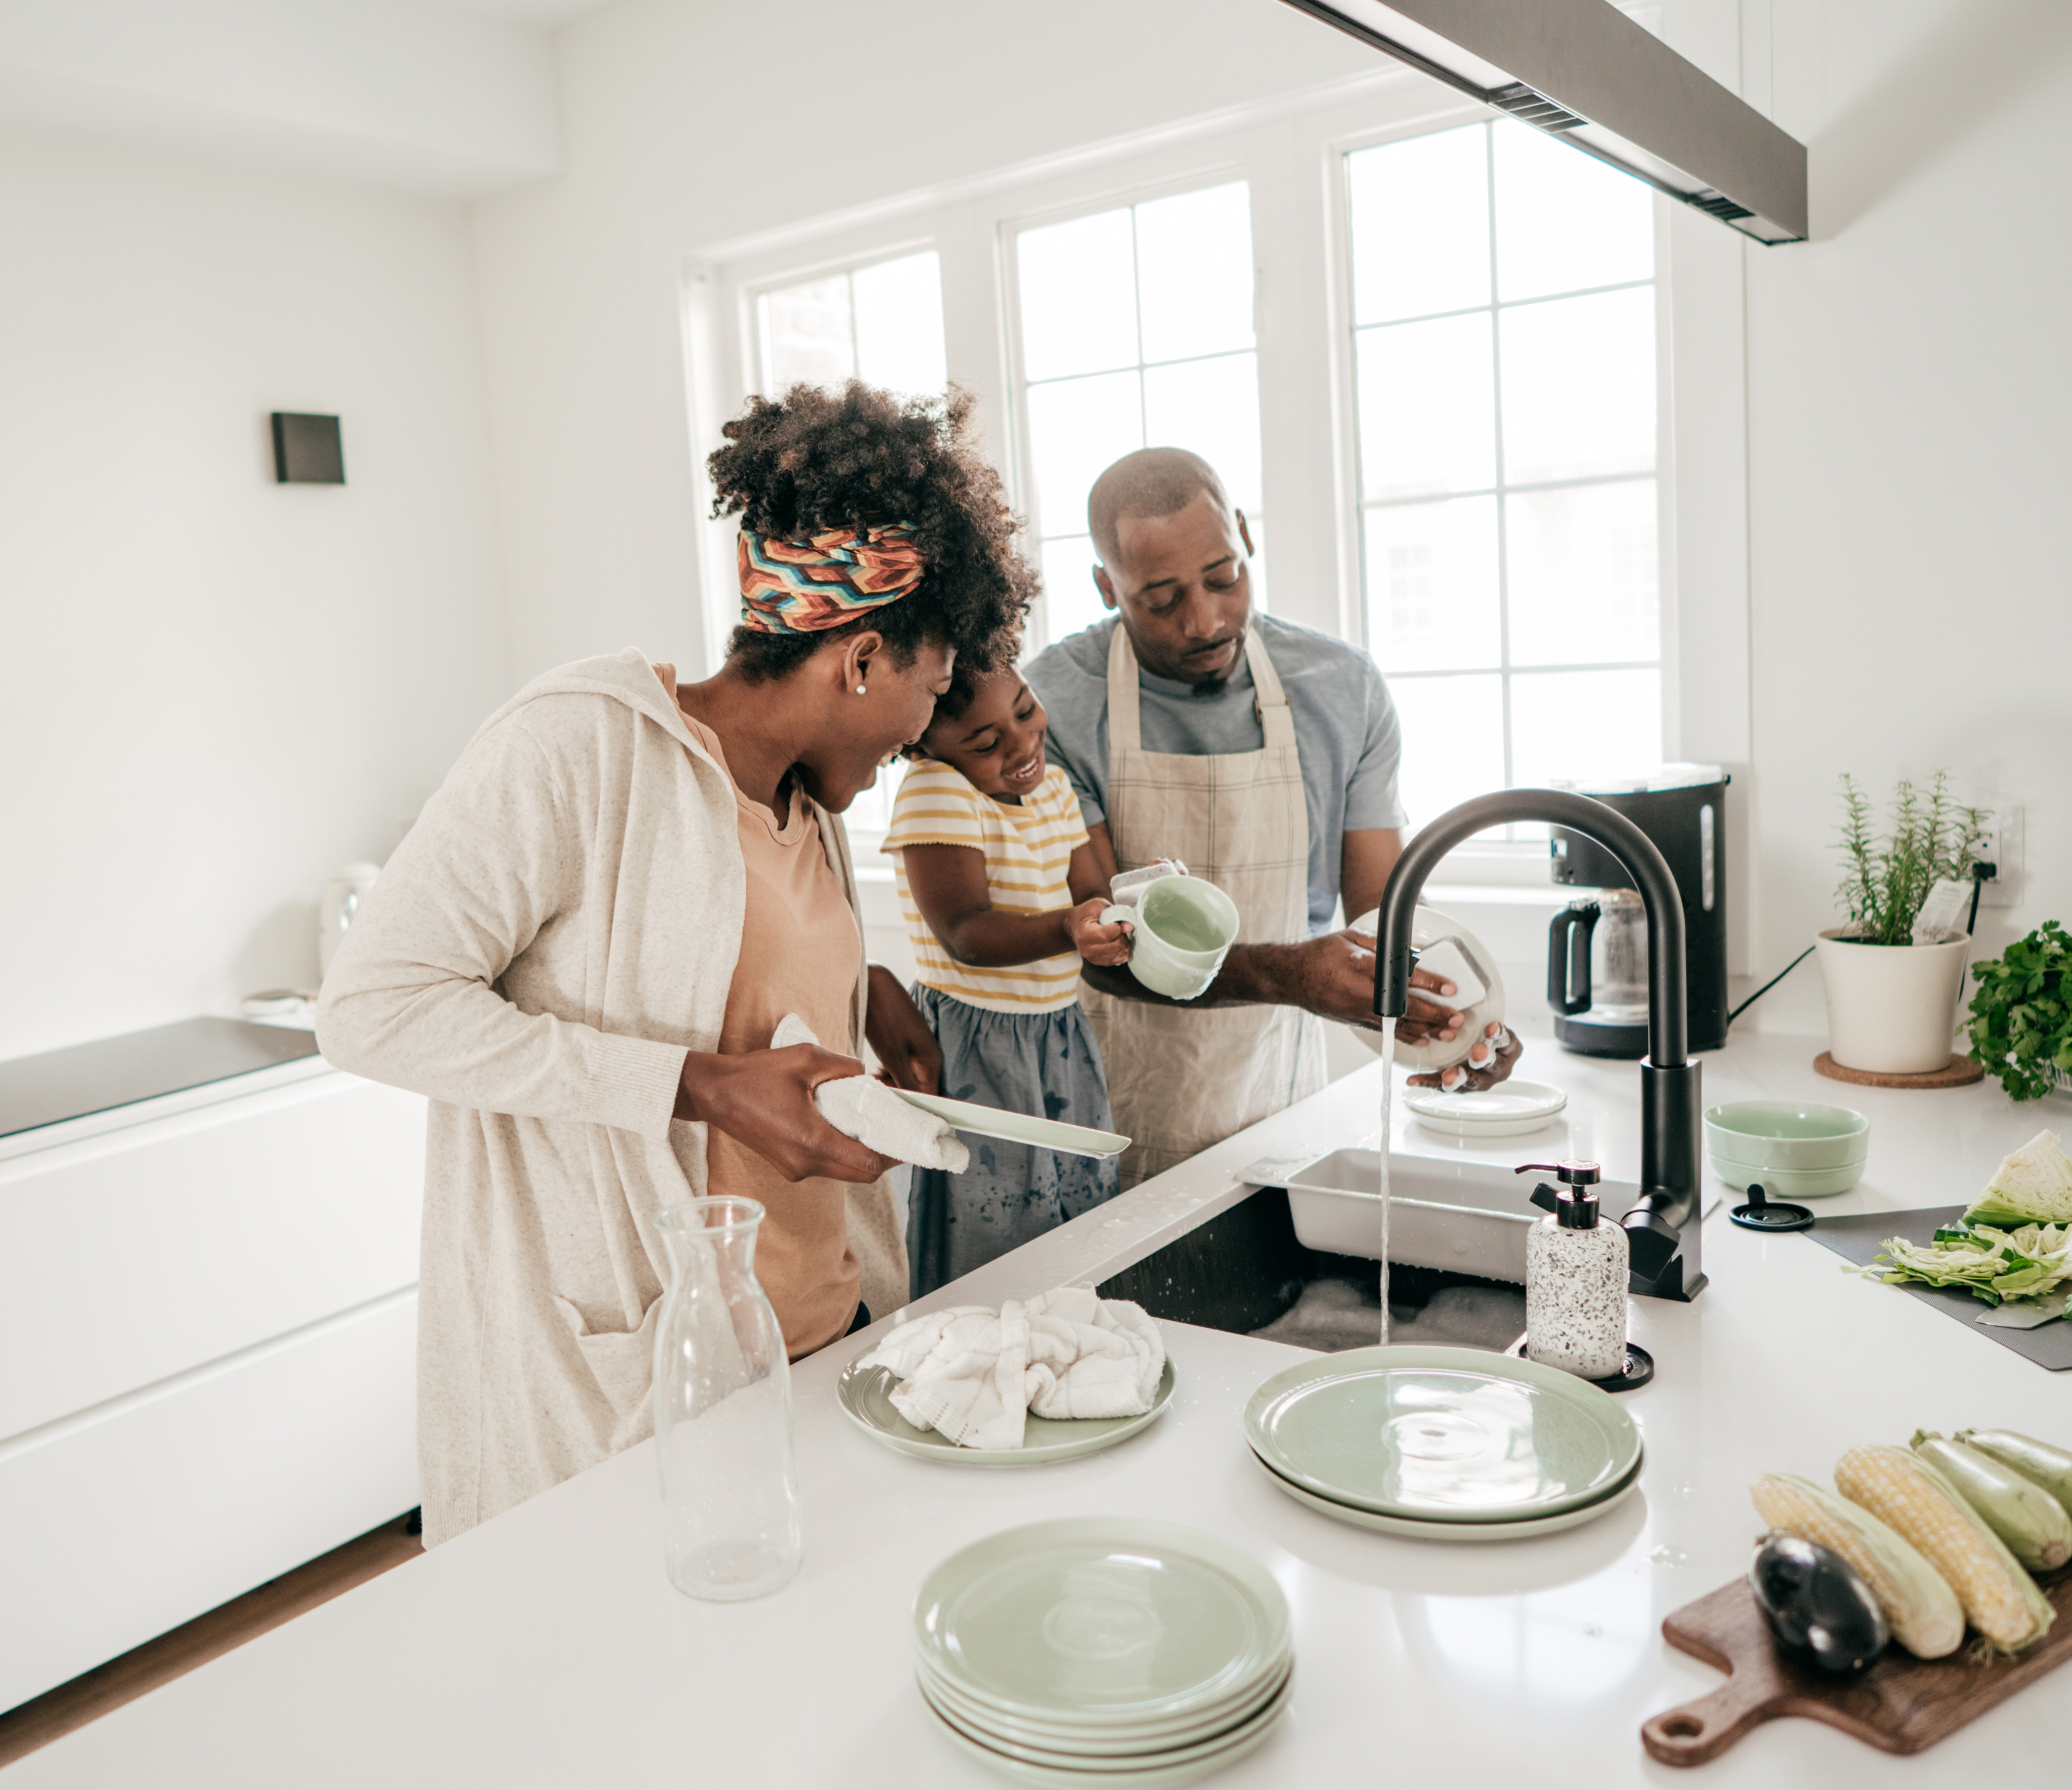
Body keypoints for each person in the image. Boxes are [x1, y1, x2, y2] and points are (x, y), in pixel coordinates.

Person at [318, 381, 1033, 1544]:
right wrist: (696, 1083)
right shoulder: (577, 749)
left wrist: (860, 1001)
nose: (923, 730)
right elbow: (371, 1009)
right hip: (650, 1378)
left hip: (818, 1333)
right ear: (859, 658)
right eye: (932, 683)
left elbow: (734, 977)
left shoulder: (810, 803)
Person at [1022, 447, 1520, 1182]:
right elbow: (1109, 949)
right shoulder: (1051, 705)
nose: (1205, 620)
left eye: (1223, 577)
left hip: (1285, 1108)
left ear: (1245, 537)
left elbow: (1379, 922)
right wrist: (1294, 975)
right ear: (1105, 586)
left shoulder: (1341, 688)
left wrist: (1450, 1027)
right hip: (1112, 1117)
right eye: (1161, 600)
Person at [883, 635, 1132, 1297]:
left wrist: (1128, 911)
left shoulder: (1052, 787)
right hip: (978, 1044)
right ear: (921, 743)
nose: (1022, 746)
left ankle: (1068, 1350)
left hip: (1059, 1032)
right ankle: (985, 1361)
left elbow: (1090, 891)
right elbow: (964, 932)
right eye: (986, 743)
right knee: (991, 1233)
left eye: (1026, 710)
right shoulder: (933, 790)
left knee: (1073, 1209)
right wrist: (1067, 928)